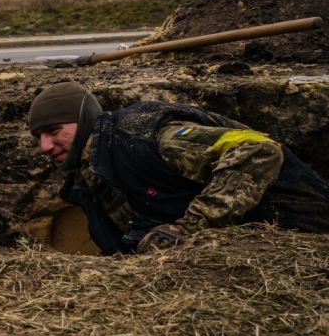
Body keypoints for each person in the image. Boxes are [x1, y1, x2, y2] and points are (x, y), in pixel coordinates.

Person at [27, 81, 329, 255]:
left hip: (303, 229)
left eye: (54, 131)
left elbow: (258, 150)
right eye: (38, 137)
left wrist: (187, 229)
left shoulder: (140, 137)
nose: (44, 146)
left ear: (85, 120)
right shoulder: (89, 179)